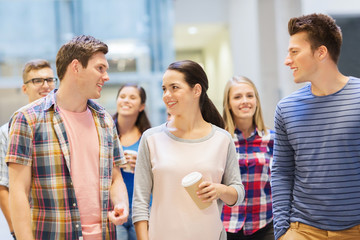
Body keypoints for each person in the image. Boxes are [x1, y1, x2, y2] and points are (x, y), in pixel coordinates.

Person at [6, 35, 129, 240]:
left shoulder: (105, 120)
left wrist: (121, 203)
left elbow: (115, 177)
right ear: (76, 67)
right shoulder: (28, 119)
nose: (106, 76)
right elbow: (18, 191)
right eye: (100, 68)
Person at [132, 60, 245, 240]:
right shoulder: (151, 139)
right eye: (164, 89)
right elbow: (140, 203)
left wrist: (220, 190)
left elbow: (237, 194)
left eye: (174, 87)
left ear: (196, 90)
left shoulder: (222, 139)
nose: (167, 95)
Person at [271, 13, 360, 240]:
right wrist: (282, 232)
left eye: (294, 52)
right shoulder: (286, 109)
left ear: (321, 52)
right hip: (303, 230)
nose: (287, 60)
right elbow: (281, 172)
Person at [0, 59, 56, 239]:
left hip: (62, 221)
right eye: (37, 81)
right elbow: (3, 186)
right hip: (30, 223)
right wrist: (16, 231)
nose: (45, 85)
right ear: (25, 88)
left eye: (49, 80)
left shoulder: (65, 124)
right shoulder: (7, 131)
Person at [221, 76, 274, 240]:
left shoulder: (272, 139)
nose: (245, 101)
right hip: (227, 226)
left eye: (250, 96)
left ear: (256, 100)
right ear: (228, 104)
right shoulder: (220, 140)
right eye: (237, 97)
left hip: (265, 225)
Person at [113, 84, 151, 240]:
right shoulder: (106, 132)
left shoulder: (148, 137)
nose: (126, 100)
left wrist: (142, 166)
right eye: (122, 96)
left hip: (142, 209)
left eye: (132, 97)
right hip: (115, 209)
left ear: (141, 106)